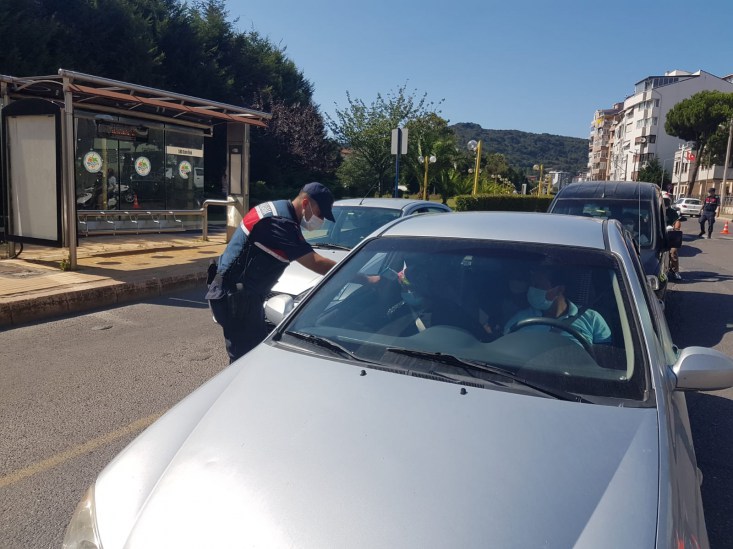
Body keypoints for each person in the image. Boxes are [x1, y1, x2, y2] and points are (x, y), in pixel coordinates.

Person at [206, 182, 338, 362]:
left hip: (237, 295)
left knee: (250, 356)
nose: (321, 220)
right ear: (306, 203)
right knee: (247, 360)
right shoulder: (281, 222)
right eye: (320, 214)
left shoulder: (277, 209)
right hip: (236, 299)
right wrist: (354, 271)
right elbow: (314, 262)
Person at [503, 268, 611, 347]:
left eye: (537, 286)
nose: (531, 290)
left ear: (559, 290)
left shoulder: (592, 318)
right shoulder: (519, 320)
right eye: (531, 285)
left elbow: (604, 360)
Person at [663, 192, 682, 281]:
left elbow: (677, 221)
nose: (665, 203)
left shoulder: (672, 212)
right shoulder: (656, 210)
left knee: (673, 252)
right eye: (664, 201)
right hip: (658, 235)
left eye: (667, 201)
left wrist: (676, 228)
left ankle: (675, 271)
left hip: (670, 235)